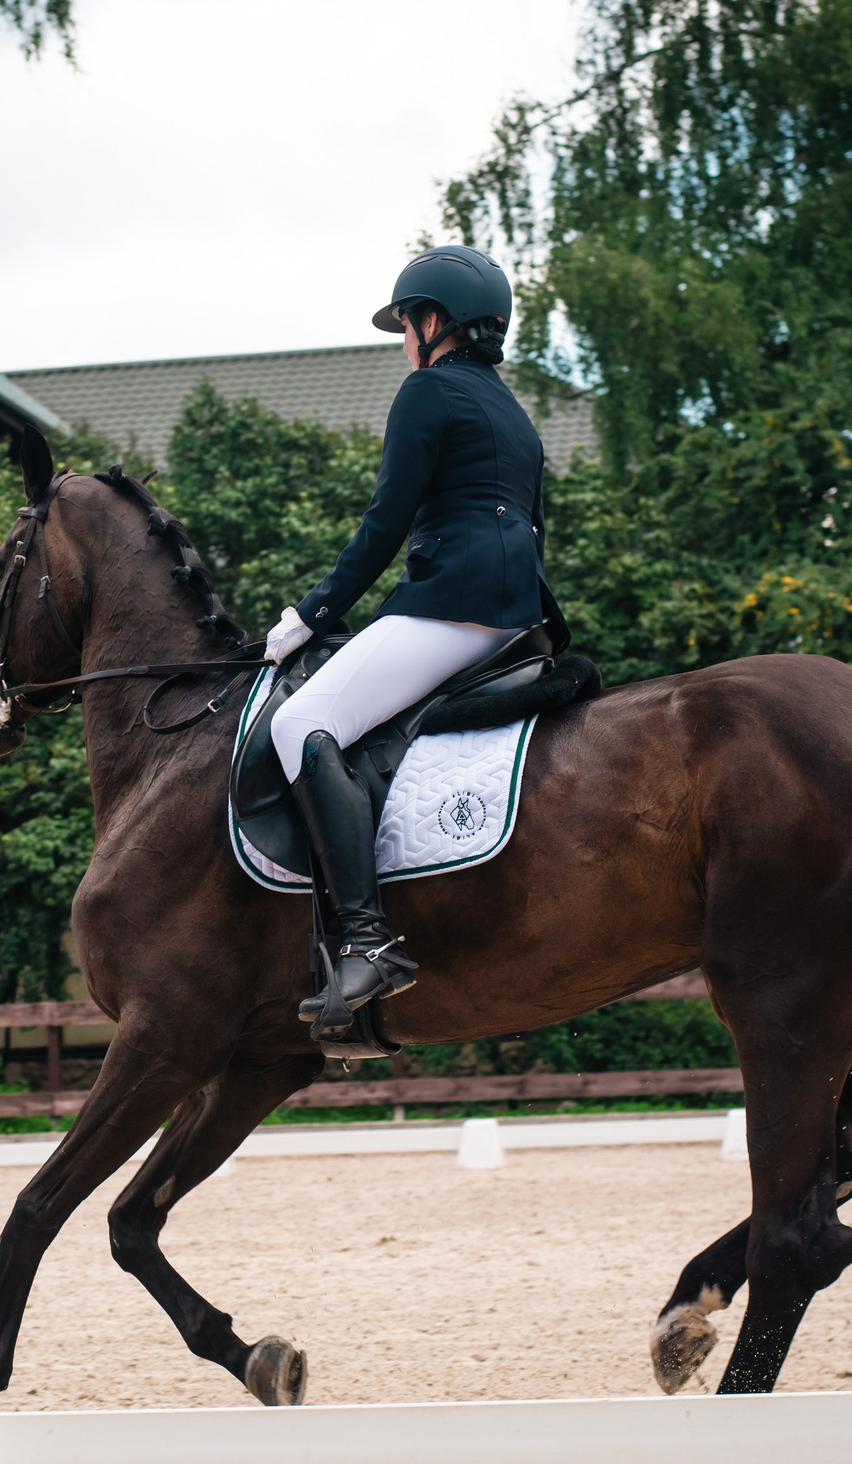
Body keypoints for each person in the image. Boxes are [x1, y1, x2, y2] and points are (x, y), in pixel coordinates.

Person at [263, 244, 555, 1025]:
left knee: (301, 722)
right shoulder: (511, 410)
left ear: (434, 321)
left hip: (451, 606)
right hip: (515, 614)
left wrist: (310, 614)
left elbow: (386, 522)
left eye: (404, 324)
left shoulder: (427, 392)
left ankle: (365, 942)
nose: (402, 340)